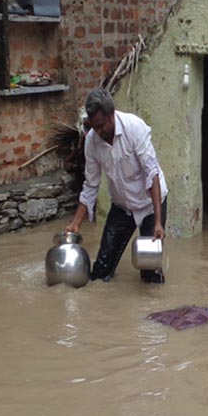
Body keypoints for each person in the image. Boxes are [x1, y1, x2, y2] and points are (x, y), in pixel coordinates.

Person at [66, 88, 168, 283]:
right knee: (100, 273)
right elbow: (90, 185)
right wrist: (76, 223)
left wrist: (157, 221)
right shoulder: (92, 142)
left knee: (150, 274)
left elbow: (152, 173)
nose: (99, 131)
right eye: (94, 127)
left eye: (101, 125)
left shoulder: (134, 128)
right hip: (122, 206)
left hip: (150, 205)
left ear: (111, 115)